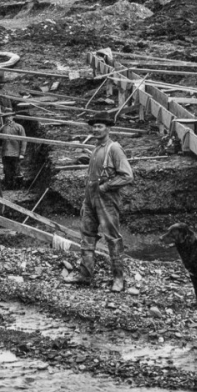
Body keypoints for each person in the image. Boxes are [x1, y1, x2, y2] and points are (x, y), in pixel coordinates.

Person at [64, 114, 133, 292]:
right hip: (91, 198)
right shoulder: (95, 149)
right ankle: (86, 274)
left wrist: (106, 186)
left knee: (112, 237)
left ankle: (118, 278)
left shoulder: (114, 148)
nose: (96, 130)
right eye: (94, 127)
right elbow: (91, 177)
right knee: (87, 235)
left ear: (108, 129)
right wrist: (87, 200)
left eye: (100, 126)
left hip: (107, 199)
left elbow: (127, 176)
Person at [0, 110, 27, 189]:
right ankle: (8, 187)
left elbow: (24, 140)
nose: (7, 118)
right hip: (5, 153)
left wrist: (22, 153)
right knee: (7, 171)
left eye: (9, 116)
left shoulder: (19, 127)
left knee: (16, 170)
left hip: (15, 153)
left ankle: (18, 187)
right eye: (6, 117)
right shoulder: (2, 128)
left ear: (13, 117)